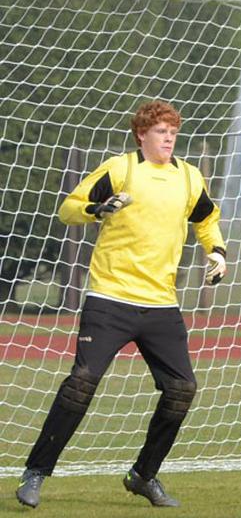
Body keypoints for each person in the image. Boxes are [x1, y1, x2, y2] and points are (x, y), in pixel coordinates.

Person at [15, 100, 227, 509]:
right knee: (80, 385)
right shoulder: (121, 169)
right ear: (141, 135)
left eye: (173, 131)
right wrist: (98, 209)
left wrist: (216, 251)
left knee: (182, 390)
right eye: (161, 131)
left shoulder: (188, 177)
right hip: (109, 299)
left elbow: (206, 218)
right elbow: (68, 209)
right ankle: (36, 473)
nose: (169, 137)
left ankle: (143, 475)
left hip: (161, 306)